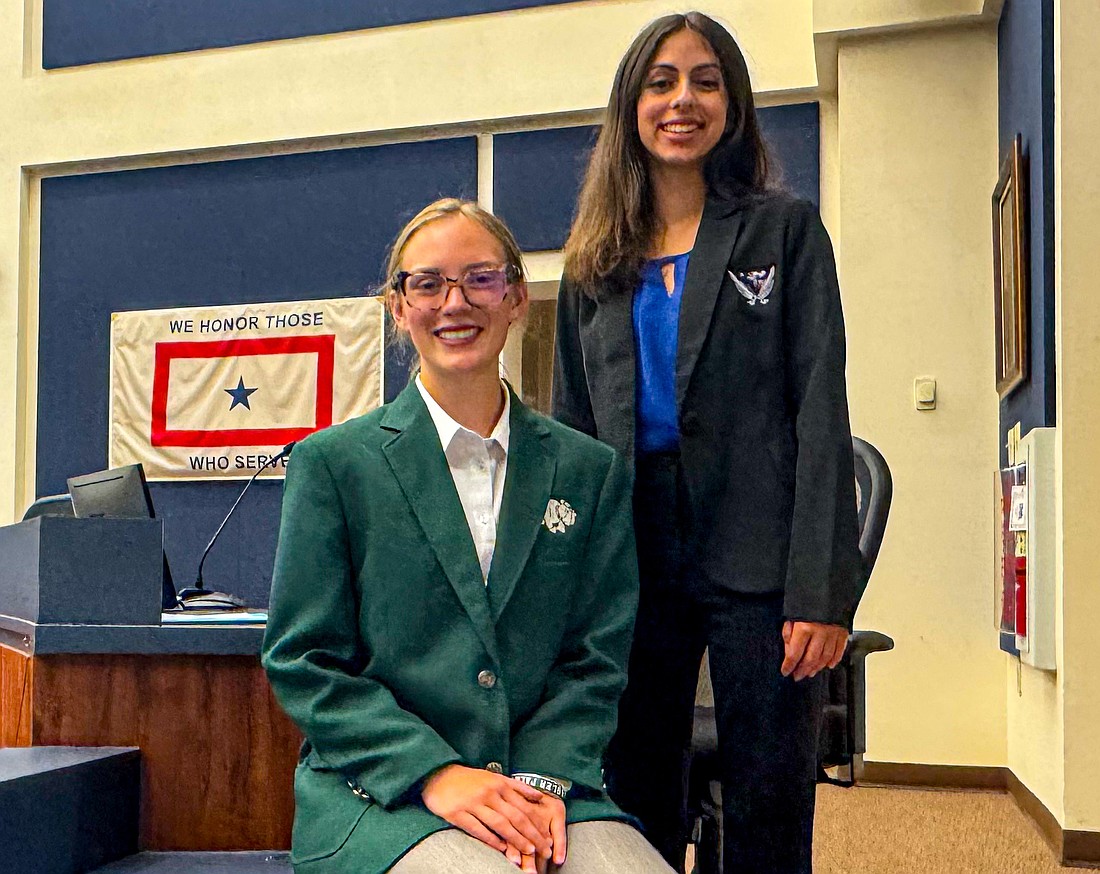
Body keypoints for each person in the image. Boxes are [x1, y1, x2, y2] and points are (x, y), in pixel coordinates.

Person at [263, 198, 675, 874]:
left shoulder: (588, 471)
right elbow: (304, 661)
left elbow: (594, 661)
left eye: (480, 278)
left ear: (516, 297)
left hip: (546, 789)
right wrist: (436, 773)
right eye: (428, 283)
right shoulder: (334, 465)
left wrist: (539, 782)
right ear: (400, 308)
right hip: (385, 794)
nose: (455, 302)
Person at [552, 13, 864, 874]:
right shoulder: (592, 262)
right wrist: (563, 591)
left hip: (757, 543)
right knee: (631, 783)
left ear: (733, 101)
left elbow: (819, 414)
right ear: (631, 106)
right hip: (630, 547)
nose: (681, 99)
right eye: (659, 82)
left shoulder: (784, 232)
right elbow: (572, 439)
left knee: (768, 790)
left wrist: (822, 591)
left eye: (704, 79)